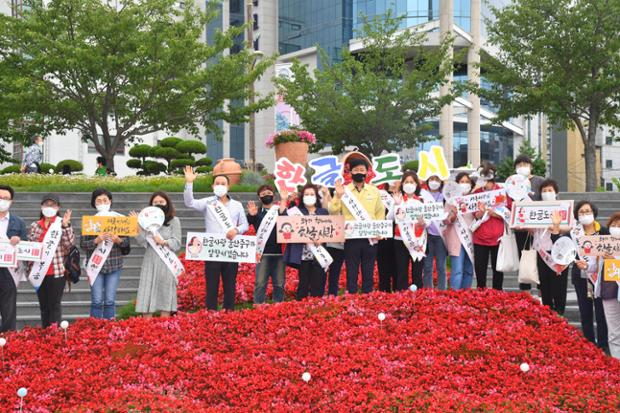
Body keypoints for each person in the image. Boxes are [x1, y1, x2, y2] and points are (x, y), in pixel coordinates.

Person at [183, 166, 248, 311]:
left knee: (230, 284)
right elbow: (190, 202)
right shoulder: (208, 202)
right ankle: (211, 314)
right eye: (217, 183)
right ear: (213, 186)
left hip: (231, 251)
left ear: (228, 186)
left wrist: (236, 230)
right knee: (211, 285)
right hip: (212, 250)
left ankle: (229, 313)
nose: (220, 186)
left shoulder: (237, 205)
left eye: (223, 184)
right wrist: (189, 183)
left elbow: (245, 224)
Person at [329, 157, 385, 294]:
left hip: (370, 238)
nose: (359, 172)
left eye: (362, 170)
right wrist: (338, 196)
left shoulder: (374, 191)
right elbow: (333, 211)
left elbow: (380, 213)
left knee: (368, 270)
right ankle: (352, 298)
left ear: (367, 172)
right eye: (356, 170)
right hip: (351, 238)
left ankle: (367, 298)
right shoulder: (344, 191)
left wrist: (380, 232)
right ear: (350, 173)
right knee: (351, 271)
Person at [80, 189, 130, 319]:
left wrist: (118, 240)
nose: (102, 203)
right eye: (99, 200)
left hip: (114, 265)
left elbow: (127, 246)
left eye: (105, 200)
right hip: (95, 266)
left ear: (110, 201)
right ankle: (95, 330)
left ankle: (108, 330)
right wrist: (96, 240)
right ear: (94, 203)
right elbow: (83, 245)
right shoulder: (90, 222)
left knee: (109, 301)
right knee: (96, 301)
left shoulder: (120, 220)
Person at [28, 194, 74, 328]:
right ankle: (45, 334)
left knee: (54, 305)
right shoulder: (35, 225)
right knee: (44, 306)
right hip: (39, 272)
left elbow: (69, 244)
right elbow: (30, 247)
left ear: (58, 207)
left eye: (52, 205)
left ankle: (54, 335)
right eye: (46, 204)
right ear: (41, 207)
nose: (49, 207)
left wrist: (65, 226)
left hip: (56, 272)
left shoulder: (61, 224)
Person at [134, 192, 182, 318]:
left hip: (167, 262)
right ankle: (146, 328)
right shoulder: (144, 222)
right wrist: (137, 226)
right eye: (155, 202)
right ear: (151, 205)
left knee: (165, 293)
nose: (159, 204)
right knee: (147, 291)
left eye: (161, 202)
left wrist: (164, 242)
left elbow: (177, 243)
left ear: (167, 203)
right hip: (150, 260)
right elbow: (141, 242)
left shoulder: (174, 221)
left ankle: (163, 328)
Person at [570, 200, 608, 352]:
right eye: (582, 212)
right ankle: (589, 345)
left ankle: (603, 345)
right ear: (577, 216)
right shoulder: (573, 233)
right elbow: (560, 245)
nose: (585, 214)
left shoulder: (604, 231)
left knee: (601, 312)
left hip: (600, 278)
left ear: (594, 213)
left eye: (588, 211)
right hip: (581, 278)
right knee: (585, 313)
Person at [283, 184, 329, 299]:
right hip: (303, 255)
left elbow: (330, 229)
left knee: (318, 284)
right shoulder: (297, 211)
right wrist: (285, 200)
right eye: (306, 194)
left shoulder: (322, 212)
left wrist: (323, 239)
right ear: (302, 197)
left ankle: (317, 308)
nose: (309, 196)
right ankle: (300, 312)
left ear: (316, 197)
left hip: (319, 254)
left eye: (312, 194)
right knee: (303, 285)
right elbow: (283, 219)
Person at [472, 161, 511, 290]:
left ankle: (497, 294)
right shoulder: (476, 193)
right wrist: (481, 213)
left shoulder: (501, 192)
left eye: (486, 178)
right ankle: (481, 294)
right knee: (480, 269)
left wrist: (495, 214)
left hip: (498, 238)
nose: (485, 182)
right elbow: (474, 215)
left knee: (498, 269)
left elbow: (509, 214)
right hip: (480, 238)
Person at [247, 184, 286, 305]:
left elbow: (287, 223)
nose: (266, 196)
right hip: (262, 253)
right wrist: (250, 215)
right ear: (259, 198)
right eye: (263, 194)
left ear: (273, 196)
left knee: (279, 283)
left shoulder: (279, 210)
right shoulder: (256, 212)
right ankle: (258, 305)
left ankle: (278, 305)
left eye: (268, 193)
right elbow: (247, 223)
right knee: (260, 282)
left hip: (279, 253)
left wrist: (284, 200)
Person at [387, 171, 426, 290]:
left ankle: (418, 298)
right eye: (406, 182)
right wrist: (397, 205)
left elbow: (428, 222)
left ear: (416, 184)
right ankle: (401, 299)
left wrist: (422, 222)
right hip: (400, 240)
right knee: (401, 272)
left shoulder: (422, 200)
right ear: (402, 184)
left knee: (417, 272)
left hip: (418, 241)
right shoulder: (397, 199)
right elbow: (389, 218)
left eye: (412, 182)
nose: (409, 184)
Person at [512, 155, 545, 292]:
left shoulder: (540, 181)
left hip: (539, 230)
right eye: (519, 164)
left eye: (525, 164)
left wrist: (535, 225)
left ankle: (542, 291)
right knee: (524, 259)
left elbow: (547, 203)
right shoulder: (512, 182)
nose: (522, 167)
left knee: (540, 261)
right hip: (521, 229)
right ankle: (525, 292)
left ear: (531, 166)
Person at [0, 185, 27, 332]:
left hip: (8, 271)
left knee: (8, 309)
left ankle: (8, 341)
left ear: (11, 202)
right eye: (0, 198)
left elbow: (27, 247)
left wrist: (19, 241)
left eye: (5, 198)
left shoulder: (18, 222)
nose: (2, 201)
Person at [444, 173, 475, 290]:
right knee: (457, 270)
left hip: (471, 239)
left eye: (467, 182)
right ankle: (454, 297)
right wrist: (453, 215)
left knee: (469, 270)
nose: (464, 184)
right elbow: (445, 221)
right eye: (462, 181)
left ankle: (465, 296)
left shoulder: (474, 199)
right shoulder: (450, 201)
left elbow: (479, 217)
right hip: (456, 239)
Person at [422, 174, 448, 290]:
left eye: (437, 179)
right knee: (427, 266)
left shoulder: (444, 196)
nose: (434, 182)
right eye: (431, 179)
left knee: (441, 267)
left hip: (441, 236)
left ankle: (442, 291)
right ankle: (428, 291)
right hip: (427, 235)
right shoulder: (423, 195)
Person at [321, 187, 345, 296]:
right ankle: (319, 295)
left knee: (335, 274)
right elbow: (325, 211)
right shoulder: (331, 204)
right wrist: (326, 194)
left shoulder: (347, 207)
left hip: (341, 246)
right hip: (328, 244)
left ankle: (332, 296)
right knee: (322, 272)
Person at [603, 212, 620, 359]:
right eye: (613, 226)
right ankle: (616, 362)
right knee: (613, 331)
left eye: (619, 226)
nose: (615, 229)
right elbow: (593, 269)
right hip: (608, 291)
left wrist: (615, 258)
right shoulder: (603, 246)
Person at [377, 183, 397, 292]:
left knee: (397, 265)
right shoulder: (379, 194)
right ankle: (384, 291)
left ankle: (397, 290)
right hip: (382, 235)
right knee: (383, 264)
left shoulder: (402, 195)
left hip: (398, 235)